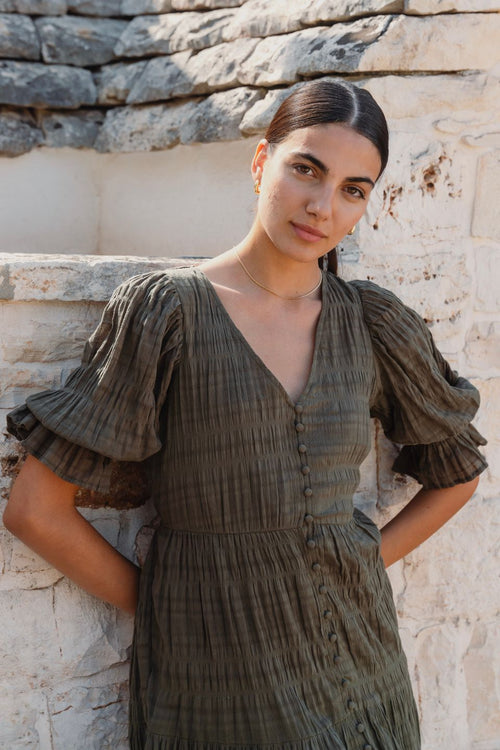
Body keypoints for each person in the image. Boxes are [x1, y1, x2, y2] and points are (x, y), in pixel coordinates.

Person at [3, 79, 487, 750]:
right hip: (213, 687)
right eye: (306, 170)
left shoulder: (370, 324)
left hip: (360, 671)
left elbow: (458, 470)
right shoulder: (166, 314)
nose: (322, 205)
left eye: (353, 189)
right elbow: (34, 509)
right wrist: (172, 607)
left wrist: (366, 561)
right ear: (262, 163)